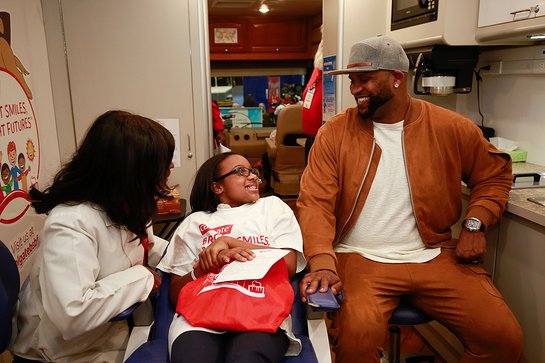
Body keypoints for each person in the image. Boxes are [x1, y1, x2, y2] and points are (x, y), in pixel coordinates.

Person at [296, 36, 523, 362]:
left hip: (435, 255)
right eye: (352, 81)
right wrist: (321, 262)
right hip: (359, 258)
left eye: (365, 80)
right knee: (356, 344)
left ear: (396, 79)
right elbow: (314, 202)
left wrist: (475, 224)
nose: (355, 89)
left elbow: (494, 174)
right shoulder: (334, 133)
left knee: (502, 337)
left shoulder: (449, 127)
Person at [12, 110, 175, 362]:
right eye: (163, 162)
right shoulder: (71, 222)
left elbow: (147, 245)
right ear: (130, 171)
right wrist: (143, 278)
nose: (170, 168)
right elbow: (74, 314)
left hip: (116, 332)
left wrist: (189, 251)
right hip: (69, 353)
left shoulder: (127, 204)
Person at [157, 152, 306, 363]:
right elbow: (175, 293)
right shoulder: (195, 222)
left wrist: (230, 242)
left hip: (260, 311)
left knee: (246, 358)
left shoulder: (273, 208)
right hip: (200, 317)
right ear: (217, 187)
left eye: (253, 171)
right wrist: (202, 268)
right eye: (240, 172)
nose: (253, 176)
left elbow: (288, 264)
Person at [302, 31, 323, 162]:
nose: (322, 43)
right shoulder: (317, 70)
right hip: (312, 140)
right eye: (323, 37)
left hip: (324, 142)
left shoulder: (332, 70)